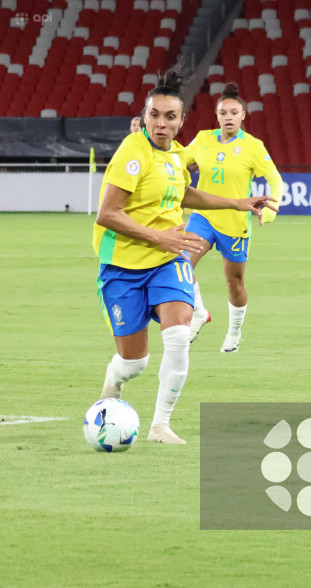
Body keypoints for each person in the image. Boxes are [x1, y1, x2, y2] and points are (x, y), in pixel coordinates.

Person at [93, 70, 277, 444]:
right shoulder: (133, 152)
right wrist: (158, 237)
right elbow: (107, 214)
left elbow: (187, 195)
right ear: (144, 117)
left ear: (182, 121)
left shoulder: (177, 156)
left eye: (170, 116)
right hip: (123, 267)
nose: (161, 123)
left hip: (166, 260)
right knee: (134, 363)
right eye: (155, 115)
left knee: (178, 336)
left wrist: (237, 202)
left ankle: (160, 425)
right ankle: (111, 391)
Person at [182, 82, 283, 353]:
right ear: (217, 116)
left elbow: (274, 179)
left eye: (234, 112)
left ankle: (234, 331)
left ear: (242, 116)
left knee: (234, 282)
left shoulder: (253, 146)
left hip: (235, 223)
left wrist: (271, 210)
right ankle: (199, 313)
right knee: (181, 263)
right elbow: (178, 160)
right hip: (203, 216)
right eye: (223, 112)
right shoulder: (202, 139)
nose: (228, 117)